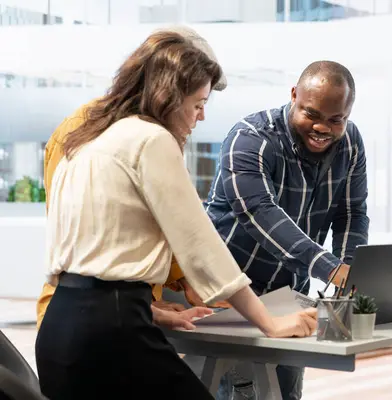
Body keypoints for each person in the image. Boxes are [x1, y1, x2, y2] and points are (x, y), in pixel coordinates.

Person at [35, 30, 317, 400]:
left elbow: (91, 259)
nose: (201, 116)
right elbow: (201, 245)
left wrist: (147, 311)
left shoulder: (87, 139)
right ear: (168, 96)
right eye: (198, 103)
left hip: (60, 330)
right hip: (113, 333)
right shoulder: (151, 139)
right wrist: (270, 322)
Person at [205, 60, 369, 400]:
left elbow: (352, 213)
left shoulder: (350, 143)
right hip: (229, 294)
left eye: (336, 119)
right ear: (294, 95)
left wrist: (351, 276)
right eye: (312, 114)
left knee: (286, 394)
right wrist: (332, 268)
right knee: (237, 394)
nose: (323, 127)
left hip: (290, 295)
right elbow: (261, 214)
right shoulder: (249, 139)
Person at [35, 25, 214, 330]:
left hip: (128, 305)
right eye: (194, 100)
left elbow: (156, 221)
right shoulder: (92, 128)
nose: (198, 115)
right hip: (89, 308)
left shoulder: (151, 132)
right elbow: (91, 233)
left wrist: (169, 290)